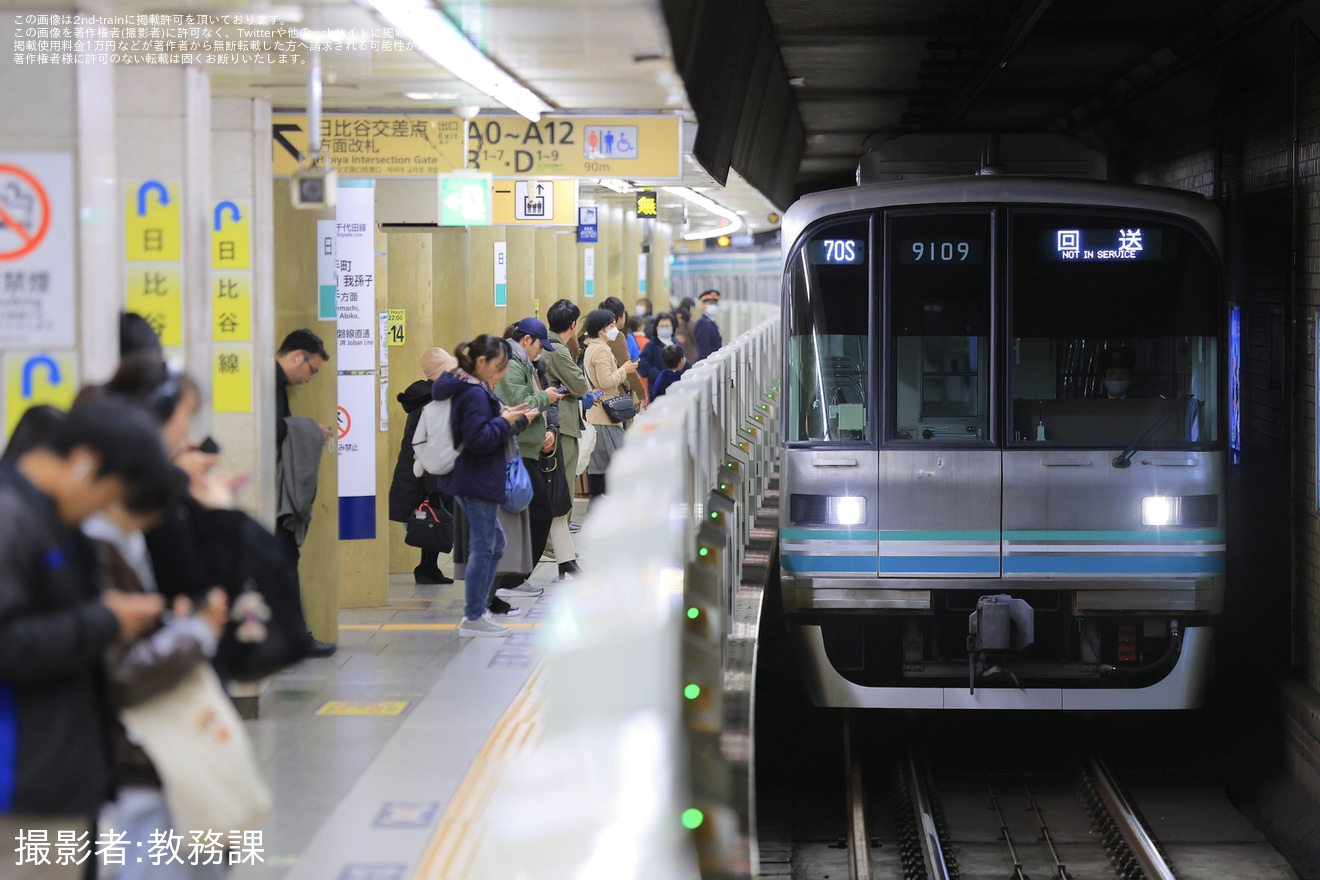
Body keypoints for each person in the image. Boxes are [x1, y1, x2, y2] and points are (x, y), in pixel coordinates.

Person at [0, 398, 171, 878]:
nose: (103, 511)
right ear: (83, 464)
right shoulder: (11, 518)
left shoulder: (55, 521)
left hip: (63, 773)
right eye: (107, 495)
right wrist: (106, 621)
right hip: (20, 784)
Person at [431, 336, 534, 638]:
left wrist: (513, 420)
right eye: (499, 367)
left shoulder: (468, 386)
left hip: (471, 477)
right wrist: (506, 421)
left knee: (493, 544)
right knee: (484, 546)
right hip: (475, 478)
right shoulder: (474, 393)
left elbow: (482, 430)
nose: (501, 374)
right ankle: (474, 615)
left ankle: (479, 610)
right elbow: (477, 439)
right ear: (481, 362)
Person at [494, 318, 568, 610]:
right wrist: (546, 397)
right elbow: (521, 404)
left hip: (528, 448)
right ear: (526, 340)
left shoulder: (525, 363)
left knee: (530, 515)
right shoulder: (513, 364)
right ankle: (511, 579)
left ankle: (513, 577)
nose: (541, 351)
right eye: (539, 345)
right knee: (539, 512)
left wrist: (548, 430)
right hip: (518, 450)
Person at [274, 329, 336, 658]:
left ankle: (292, 637)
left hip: (272, 497)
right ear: (297, 356)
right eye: (311, 370)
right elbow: (269, 429)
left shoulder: (275, 382)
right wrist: (310, 430)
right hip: (270, 499)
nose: (309, 379)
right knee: (283, 562)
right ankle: (295, 639)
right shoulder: (267, 382)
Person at [389, 348, 457, 585]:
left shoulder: (428, 396)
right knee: (433, 516)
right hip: (428, 470)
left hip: (426, 468)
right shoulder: (432, 400)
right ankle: (427, 568)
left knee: (433, 518)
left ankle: (428, 567)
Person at [583, 308, 638, 500]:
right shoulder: (600, 350)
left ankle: (597, 507)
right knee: (620, 462)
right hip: (605, 415)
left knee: (599, 467)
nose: (616, 329)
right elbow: (605, 382)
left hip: (598, 414)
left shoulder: (593, 347)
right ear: (601, 331)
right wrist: (624, 369)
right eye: (612, 326)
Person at [601, 296, 647, 403]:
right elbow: (627, 367)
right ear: (620, 317)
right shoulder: (615, 335)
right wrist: (641, 393)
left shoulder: (595, 334)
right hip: (616, 394)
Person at [637, 311, 676, 389]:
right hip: (659, 387)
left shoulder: (676, 343)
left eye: (667, 326)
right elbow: (642, 364)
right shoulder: (652, 345)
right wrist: (659, 375)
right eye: (661, 326)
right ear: (656, 327)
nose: (664, 328)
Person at [694, 289, 724, 361]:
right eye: (710, 303)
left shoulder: (711, 322)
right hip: (709, 364)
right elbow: (703, 350)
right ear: (703, 305)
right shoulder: (702, 323)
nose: (713, 306)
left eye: (715, 303)